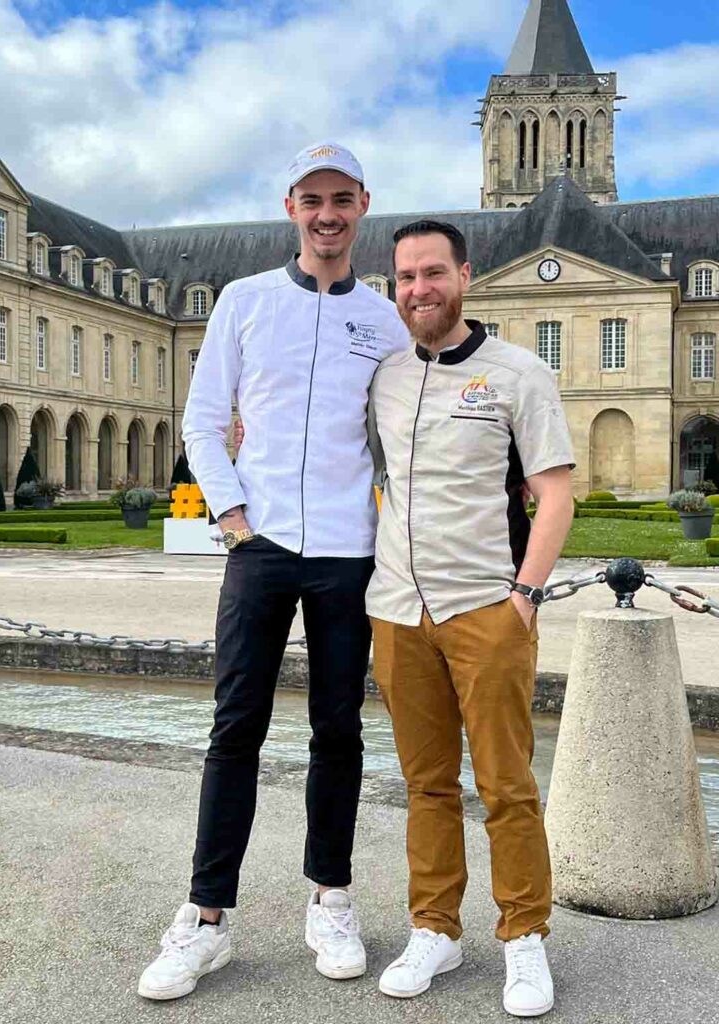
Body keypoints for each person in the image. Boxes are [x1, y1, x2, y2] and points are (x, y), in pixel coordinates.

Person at [137, 143, 409, 1001]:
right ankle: (205, 916)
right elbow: (203, 417)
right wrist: (229, 514)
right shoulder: (246, 300)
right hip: (261, 550)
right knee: (235, 727)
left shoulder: (384, 318)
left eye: (341, 199)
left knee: (340, 730)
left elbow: (402, 438)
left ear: (363, 204)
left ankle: (330, 897)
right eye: (311, 199)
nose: (327, 215)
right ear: (291, 206)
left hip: (346, 551)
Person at [366, 220, 575, 1016]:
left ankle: (523, 938)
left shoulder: (518, 373)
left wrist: (524, 597)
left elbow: (555, 493)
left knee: (507, 785)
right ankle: (436, 930)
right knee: (426, 786)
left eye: (432, 273)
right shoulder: (383, 375)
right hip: (396, 609)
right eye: (405, 277)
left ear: (465, 275)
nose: (418, 289)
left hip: (486, 605)